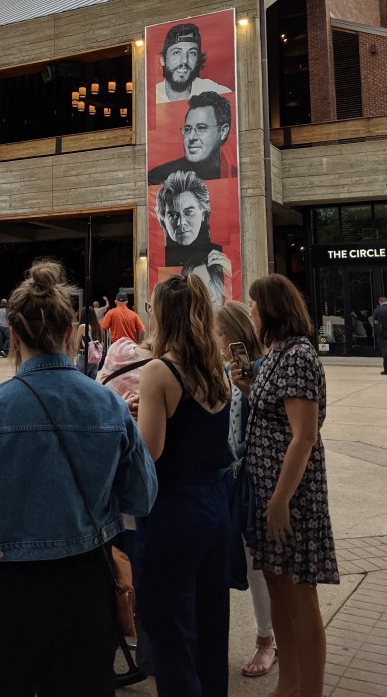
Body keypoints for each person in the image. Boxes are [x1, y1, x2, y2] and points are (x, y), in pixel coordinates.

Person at [0, 259, 157, 697]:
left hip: (1, 591)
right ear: (71, 334)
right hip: (83, 585)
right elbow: (142, 496)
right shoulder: (109, 407)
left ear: (13, 337)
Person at [234, 274, 339, 697]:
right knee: (279, 586)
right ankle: (289, 682)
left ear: (273, 309)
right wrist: (247, 385)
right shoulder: (276, 353)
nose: (252, 313)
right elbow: (274, 410)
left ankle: (307, 687)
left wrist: (280, 501)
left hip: (291, 495)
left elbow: (304, 435)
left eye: (256, 306)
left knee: (300, 592)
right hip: (269, 490)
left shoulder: (298, 355)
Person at [135, 272, 234, 697]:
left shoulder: (159, 370)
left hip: (174, 511)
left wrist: (132, 419)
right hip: (217, 504)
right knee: (212, 624)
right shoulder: (218, 369)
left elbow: (149, 453)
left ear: (162, 315)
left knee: (171, 631)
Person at [213, 300, 277, 679]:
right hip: (230, 475)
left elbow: (271, 422)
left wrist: (247, 388)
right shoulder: (224, 371)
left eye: (220, 335)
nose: (218, 342)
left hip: (254, 476)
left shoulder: (262, 371)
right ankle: (268, 636)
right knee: (244, 559)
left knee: (256, 562)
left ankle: (266, 640)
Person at [155, 171, 232, 304]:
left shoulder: (220, 257)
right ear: (163, 220)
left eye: (188, 212)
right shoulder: (159, 257)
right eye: (173, 215)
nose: (181, 223)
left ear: (203, 213)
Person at [148, 92, 232, 184]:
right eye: (188, 129)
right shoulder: (159, 178)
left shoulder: (235, 174)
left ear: (223, 131)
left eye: (201, 128)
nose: (191, 137)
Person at [155, 23, 228, 104]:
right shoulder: (151, 96)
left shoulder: (214, 93)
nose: (184, 60)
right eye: (176, 52)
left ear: (197, 60)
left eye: (192, 53)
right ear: (163, 60)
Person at [75, 304, 102, 378]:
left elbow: (76, 344)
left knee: (80, 380)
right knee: (91, 382)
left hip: (84, 355)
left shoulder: (82, 327)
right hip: (95, 357)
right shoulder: (97, 326)